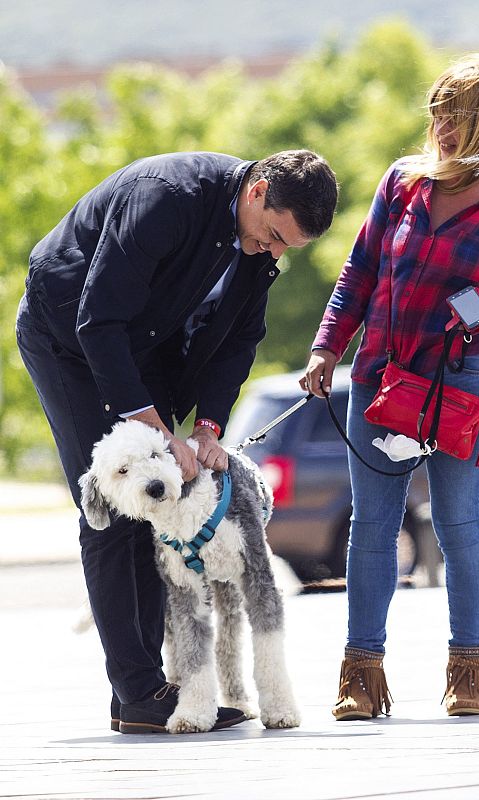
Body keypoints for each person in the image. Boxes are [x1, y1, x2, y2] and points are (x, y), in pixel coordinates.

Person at [16, 148, 338, 734]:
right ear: (257, 191)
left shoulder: (258, 246)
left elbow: (239, 341)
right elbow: (99, 320)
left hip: (143, 346)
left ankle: (160, 687)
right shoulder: (164, 197)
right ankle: (137, 692)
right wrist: (159, 432)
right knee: (113, 506)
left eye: (285, 247)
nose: (272, 253)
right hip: (69, 336)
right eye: (272, 236)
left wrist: (208, 428)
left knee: (161, 498)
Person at [301, 56, 479, 720]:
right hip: (381, 375)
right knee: (372, 527)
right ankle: (361, 677)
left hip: (464, 382)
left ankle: (469, 672)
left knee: (459, 525)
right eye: (437, 114)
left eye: (456, 117)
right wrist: (326, 348)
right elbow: (359, 270)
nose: (441, 129)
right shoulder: (402, 182)